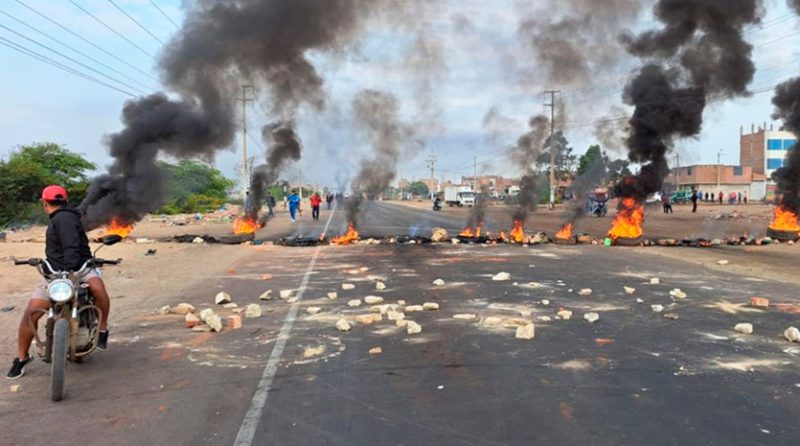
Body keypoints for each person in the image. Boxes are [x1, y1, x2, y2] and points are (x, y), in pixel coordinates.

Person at [7, 186, 111, 380]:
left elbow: (71, 245)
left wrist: (72, 267)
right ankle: (22, 357)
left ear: (43, 203)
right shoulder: (70, 215)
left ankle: (103, 329)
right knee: (33, 311)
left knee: (96, 288)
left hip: (80, 269)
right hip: (54, 274)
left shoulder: (64, 218)